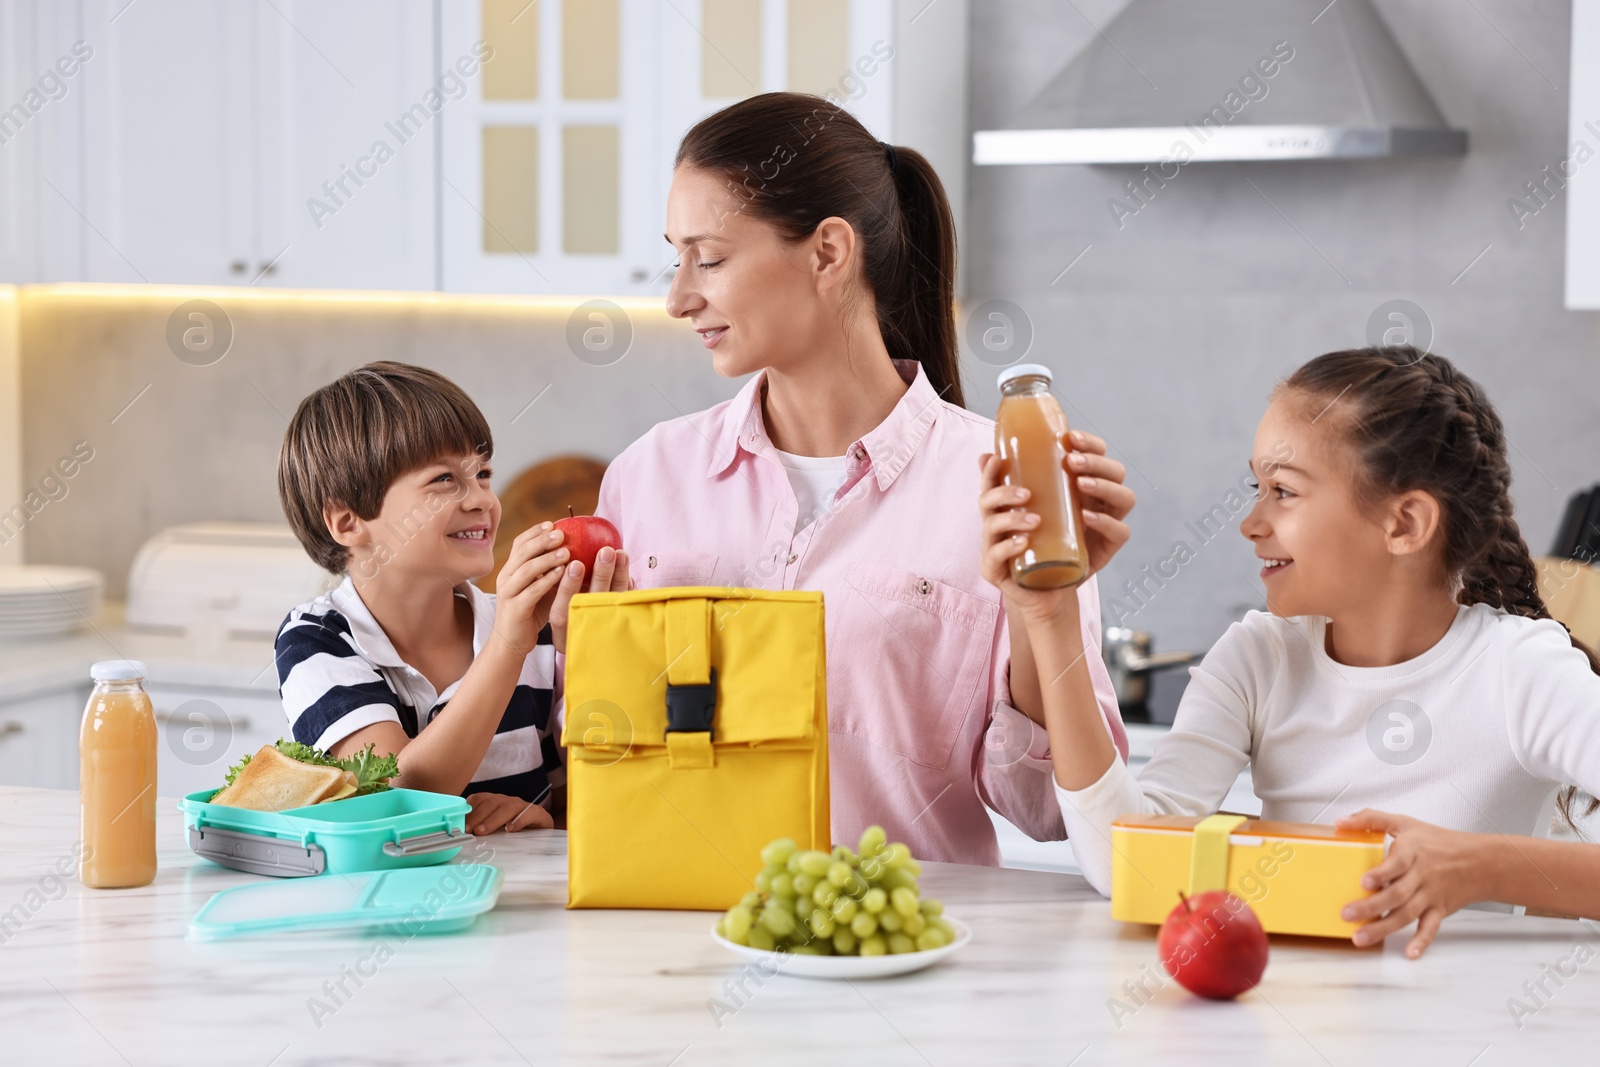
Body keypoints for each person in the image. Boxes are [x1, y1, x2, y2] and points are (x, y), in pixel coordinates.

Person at [592, 92, 1133, 865]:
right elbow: (603, 753)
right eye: (675, 257)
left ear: (828, 252)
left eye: (708, 258)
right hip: (679, 944)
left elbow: (1054, 813)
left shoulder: (1000, 487)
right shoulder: (649, 478)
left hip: (894, 960)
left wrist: (1038, 612)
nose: (678, 297)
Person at [982, 345, 1600, 952]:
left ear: (1405, 524)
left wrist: (1484, 866)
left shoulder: (1519, 670)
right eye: (1258, 486)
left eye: (1283, 490)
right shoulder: (1258, 658)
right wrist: (1052, 614)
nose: (1251, 523)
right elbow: (1127, 863)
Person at [274, 361, 629, 835]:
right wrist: (508, 644)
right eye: (444, 479)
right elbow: (399, 792)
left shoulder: (534, 631)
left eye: (483, 473)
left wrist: (545, 817)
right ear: (348, 522)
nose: (482, 498)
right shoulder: (316, 640)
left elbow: (597, 799)